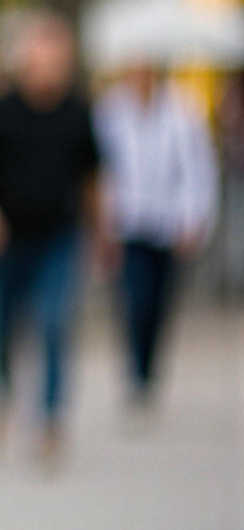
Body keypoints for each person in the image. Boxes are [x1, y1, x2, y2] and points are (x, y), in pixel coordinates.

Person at [0, 13, 101, 468]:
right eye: (40, 55)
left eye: (56, 57)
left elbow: (93, 178)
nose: (47, 65)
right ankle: (0, 396)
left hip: (59, 236)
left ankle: (52, 421)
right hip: (6, 239)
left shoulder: (78, 114)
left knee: (55, 322)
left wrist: (104, 233)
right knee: (1, 326)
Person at [95, 64, 217, 415]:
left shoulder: (183, 109)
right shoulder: (111, 111)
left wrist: (194, 218)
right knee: (135, 300)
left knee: (160, 303)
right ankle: (135, 372)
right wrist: (102, 226)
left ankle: (149, 371)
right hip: (128, 222)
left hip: (168, 222)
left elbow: (198, 168)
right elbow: (101, 171)